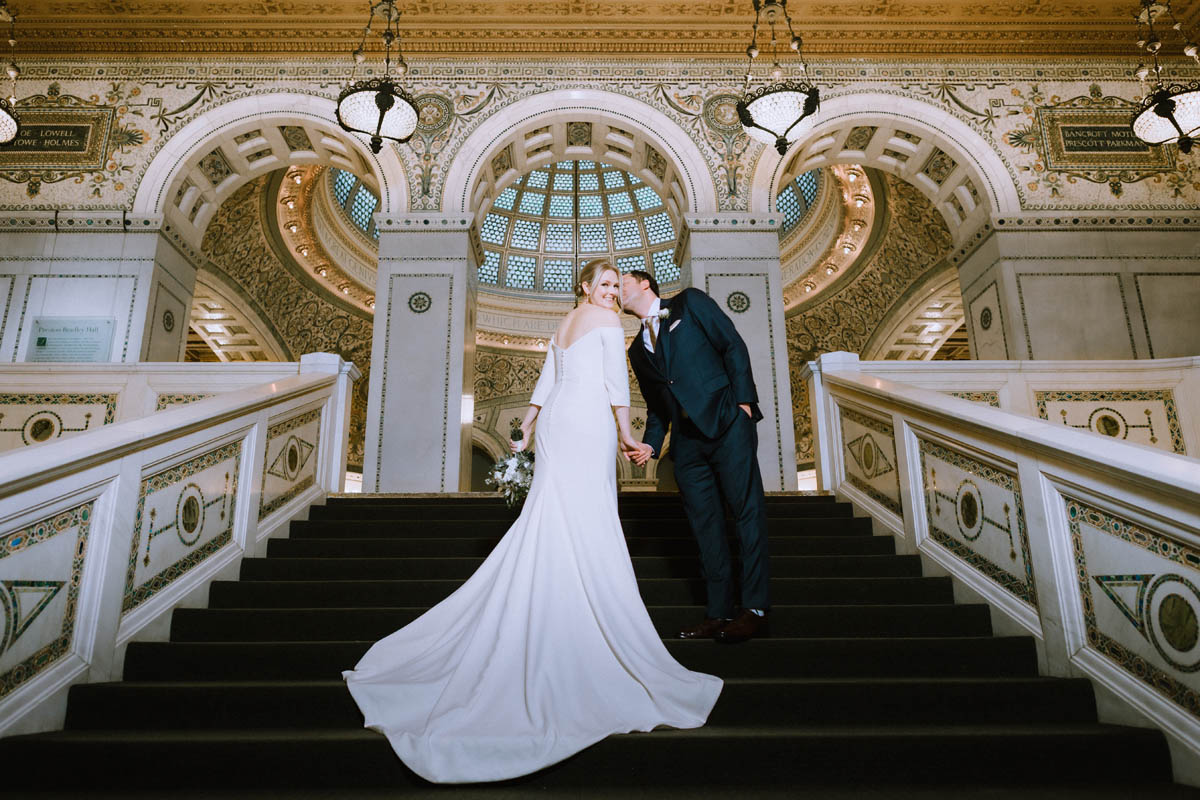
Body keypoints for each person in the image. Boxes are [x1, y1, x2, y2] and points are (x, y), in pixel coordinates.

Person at [342, 259, 722, 784]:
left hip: (556, 425)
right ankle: (579, 617)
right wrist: (628, 434)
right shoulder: (608, 322)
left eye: (617, 285)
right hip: (587, 423)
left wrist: (525, 427)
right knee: (585, 518)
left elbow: (545, 381)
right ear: (586, 286)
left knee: (555, 516)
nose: (612, 292)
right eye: (605, 284)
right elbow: (615, 383)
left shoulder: (565, 322)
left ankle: (555, 601)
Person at [620, 270, 770, 645]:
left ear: (644, 284)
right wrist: (651, 445)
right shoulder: (636, 350)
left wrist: (744, 403)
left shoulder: (688, 302)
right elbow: (657, 407)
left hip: (727, 424)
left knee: (746, 512)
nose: (616, 288)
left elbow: (731, 344)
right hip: (686, 443)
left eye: (621, 281)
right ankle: (718, 612)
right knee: (705, 526)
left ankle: (754, 609)